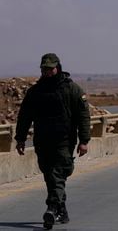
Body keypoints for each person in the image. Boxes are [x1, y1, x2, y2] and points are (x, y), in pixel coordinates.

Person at [15, 53, 90, 230]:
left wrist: (84, 140)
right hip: (42, 140)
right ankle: (61, 210)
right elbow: (24, 116)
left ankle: (52, 208)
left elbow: (83, 116)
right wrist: (20, 139)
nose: (47, 72)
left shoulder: (72, 89)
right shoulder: (36, 92)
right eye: (44, 69)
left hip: (64, 140)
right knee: (50, 175)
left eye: (50, 69)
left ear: (58, 68)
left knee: (58, 172)